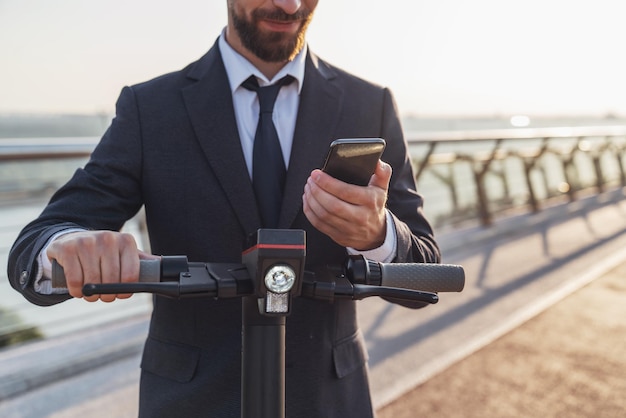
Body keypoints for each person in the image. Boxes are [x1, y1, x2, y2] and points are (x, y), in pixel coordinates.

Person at [8, 1, 440, 417]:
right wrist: (70, 246)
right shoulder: (150, 108)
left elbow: (427, 272)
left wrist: (378, 235)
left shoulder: (371, 103)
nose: (289, 6)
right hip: (191, 403)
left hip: (327, 400)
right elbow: (36, 245)